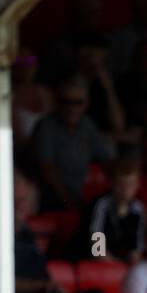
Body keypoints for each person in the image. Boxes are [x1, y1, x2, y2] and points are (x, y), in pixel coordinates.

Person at [25, 75, 115, 211]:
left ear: (86, 103)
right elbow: (47, 169)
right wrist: (69, 201)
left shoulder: (87, 125)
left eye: (77, 102)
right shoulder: (46, 126)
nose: (71, 108)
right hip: (48, 199)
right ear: (57, 103)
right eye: (65, 102)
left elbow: (108, 160)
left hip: (78, 197)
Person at [77, 156, 147, 263]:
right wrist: (114, 263)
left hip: (120, 263)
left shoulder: (138, 209)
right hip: (92, 261)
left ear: (137, 185)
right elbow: (96, 247)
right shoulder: (101, 205)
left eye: (130, 185)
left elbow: (137, 247)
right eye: (121, 185)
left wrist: (133, 260)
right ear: (111, 183)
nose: (125, 190)